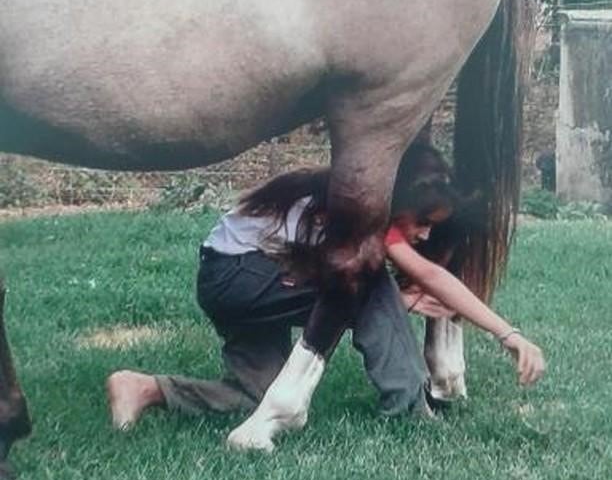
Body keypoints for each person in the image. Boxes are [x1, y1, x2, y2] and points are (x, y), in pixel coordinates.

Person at [107, 143, 545, 431]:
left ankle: (145, 387)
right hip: (239, 276)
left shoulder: (338, 197)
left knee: (255, 396)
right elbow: (432, 276)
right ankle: (410, 411)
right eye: (423, 223)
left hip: (236, 279)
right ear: (400, 201)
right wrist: (508, 334)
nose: (426, 237)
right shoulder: (362, 213)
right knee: (372, 283)